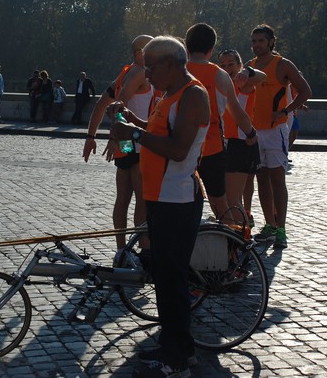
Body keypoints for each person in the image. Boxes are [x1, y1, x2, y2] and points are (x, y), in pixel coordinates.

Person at [108, 35, 210, 378]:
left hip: (178, 198)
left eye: (150, 66)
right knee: (165, 280)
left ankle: (177, 358)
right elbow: (156, 135)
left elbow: (178, 149)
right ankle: (178, 346)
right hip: (160, 196)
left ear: (169, 63)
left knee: (172, 280)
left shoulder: (193, 95)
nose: (146, 73)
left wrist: (133, 134)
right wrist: (129, 122)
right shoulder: (168, 95)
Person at [83, 34, 154, 267]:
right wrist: (113, 137)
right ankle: (144, 250)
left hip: (127, 142)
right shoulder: (141, 73)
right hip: (136, 141)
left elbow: (101, 103)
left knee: (122, 197)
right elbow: (117, 107)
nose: (154, 51)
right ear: (137, 53)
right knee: (142, 199)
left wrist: (91, 136)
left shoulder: (126, 73)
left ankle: (121, 250)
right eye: (148, 48)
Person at [245, 24, 312, 248]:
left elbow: (305, 90)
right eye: (253, 41)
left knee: (277, 179)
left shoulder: (282, 64)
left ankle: (281, 228)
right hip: (256, 131)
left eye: (261, 41)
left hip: (276, 131)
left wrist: (286, 110)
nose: (256, 45)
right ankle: (270, 225)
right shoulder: (250, 67)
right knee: (261, 179)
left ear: (271, 42)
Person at [184, 23, 257, 225]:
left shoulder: (177, 70)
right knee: (220, 202)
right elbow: (237, 112)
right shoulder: (219, 75)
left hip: (180, 145)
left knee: (181, 199)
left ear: (187, 47)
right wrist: (251, 134)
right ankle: (233, 248)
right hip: (211, 147)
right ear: (211, 49)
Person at [218, 48, 266, 228]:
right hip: (225, 144)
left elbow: (263, 77)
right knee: (226, 200)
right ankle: (234, 240)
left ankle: (243, 244)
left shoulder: (243, 83)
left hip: (240, 143)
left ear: (239, 65)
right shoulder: (221, 85)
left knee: (233, 200)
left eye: (231, 64)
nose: (227, 68)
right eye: (223, 65)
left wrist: (248, 71)